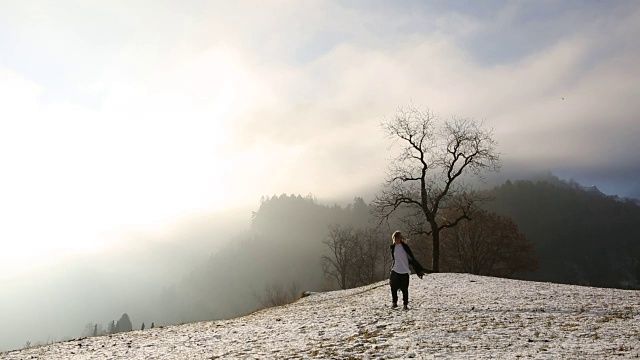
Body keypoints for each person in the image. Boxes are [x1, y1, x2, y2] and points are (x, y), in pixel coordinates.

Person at [389, 230, 426, 310]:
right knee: (393, 287)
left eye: (398, 238)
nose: (396, 240)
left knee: (404, 288)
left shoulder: (405, 247)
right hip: (395, 269)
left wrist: (417, 267)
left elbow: (411, 257)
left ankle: (405, 304)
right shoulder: (392, 247)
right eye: (395, 238)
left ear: (401, 238)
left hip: (405, 270)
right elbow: (394, 259)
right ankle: (394, 302)